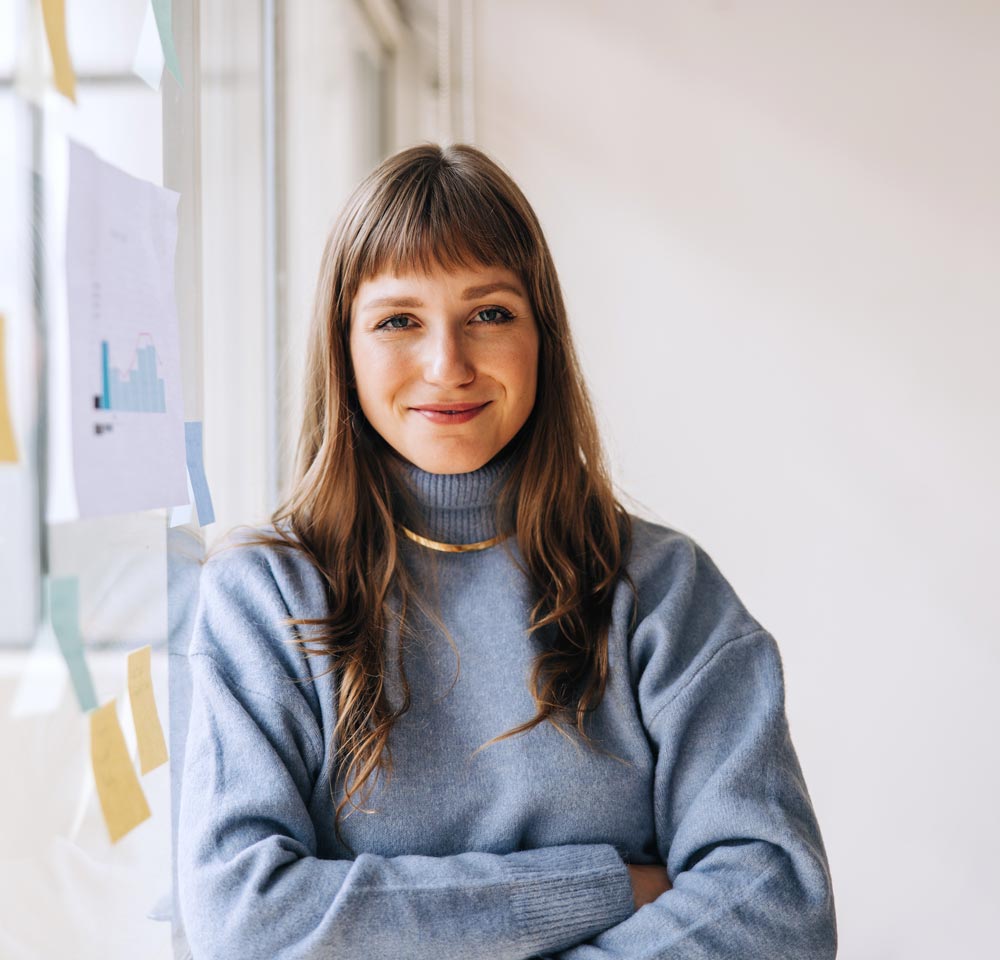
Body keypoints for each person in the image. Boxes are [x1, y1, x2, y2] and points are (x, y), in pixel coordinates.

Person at [176, 143, 837, 958]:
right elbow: (243, 923)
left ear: (543, 338)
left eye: (489, 313)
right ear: (343, 348)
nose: (447, 364)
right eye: (398, 321)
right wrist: (605, 886)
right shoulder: (265, 596)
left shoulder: (664, 591)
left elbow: (777, 907)